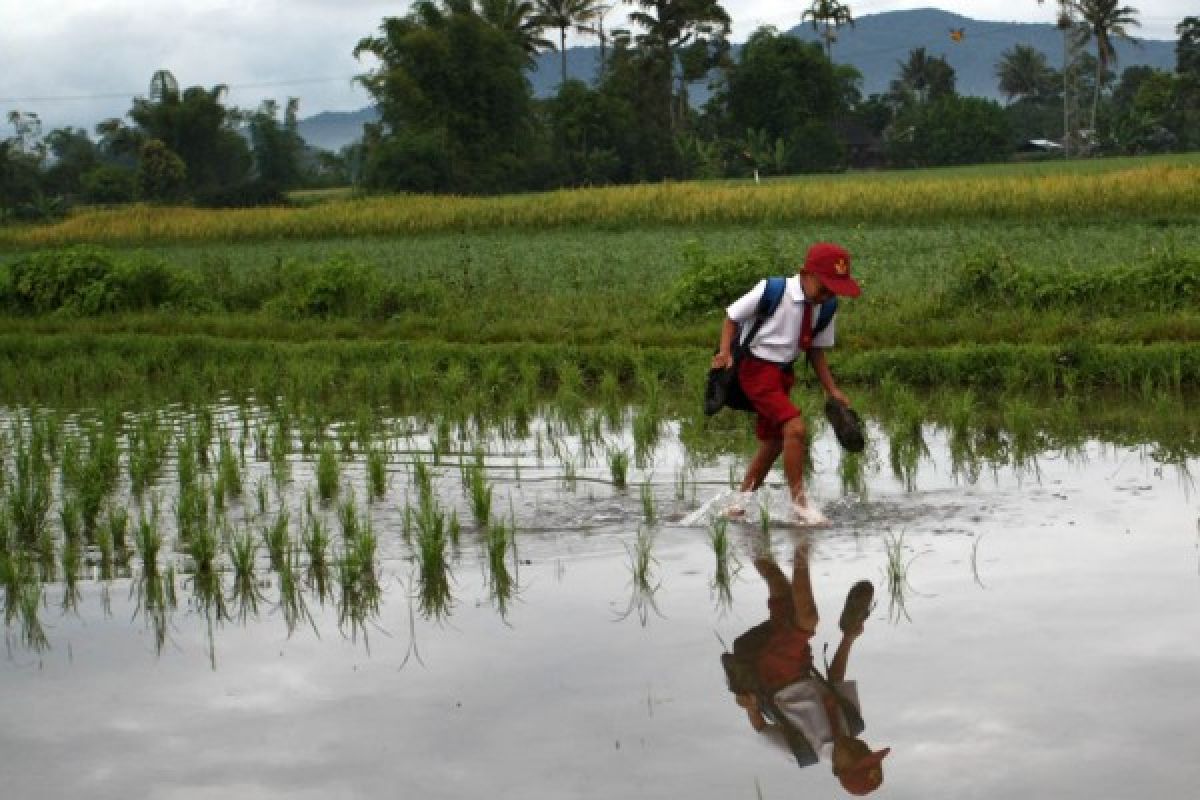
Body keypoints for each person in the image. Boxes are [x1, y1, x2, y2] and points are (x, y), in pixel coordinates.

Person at [722, 537, 891, 795]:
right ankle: (744, 532)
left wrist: (752, 708)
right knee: (778, 584)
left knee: (807, 620)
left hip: (776, 676)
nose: (862, 748)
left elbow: (761, 729)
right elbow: (833, 681)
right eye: (867, 751)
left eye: (858, 757)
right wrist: (848, 639)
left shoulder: (803, 751)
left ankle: (802, 539)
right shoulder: (853, 723)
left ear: (838, 769)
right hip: (801, 663)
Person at [711, 242, 862, 525]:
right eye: (825, 287)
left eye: (834, 289)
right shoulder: (773, 290)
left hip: (783, 374)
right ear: (806, 274)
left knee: (774, 442)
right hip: (756, 370)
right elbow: (732, 316)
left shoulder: (826, 307)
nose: (828, 295)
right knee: (795, 427)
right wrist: (725, 352)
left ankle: (738, 505)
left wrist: (832, 390)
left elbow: (816, 350)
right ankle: (800, 504)